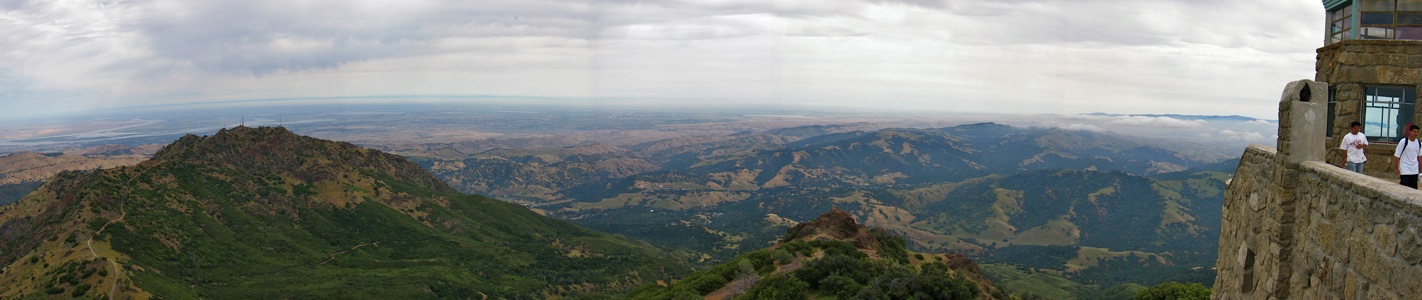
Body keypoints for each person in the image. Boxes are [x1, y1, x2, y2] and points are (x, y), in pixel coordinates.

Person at [1395, 124, 1421, 188]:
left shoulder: (1419, 143)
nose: (1416, 133)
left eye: (1417, 132)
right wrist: (1396, 168)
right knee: (1404, 186)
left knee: (1413, 188)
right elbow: (1397, 156)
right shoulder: (1403, 141)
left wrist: (1420, 167)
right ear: (1410, 132)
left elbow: (1420, 156)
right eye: (1414, 131)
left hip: (1414, 169)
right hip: (1405, 168)